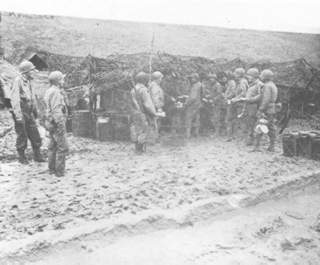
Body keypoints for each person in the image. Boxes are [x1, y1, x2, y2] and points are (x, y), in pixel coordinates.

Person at [10, 61, 44, 164]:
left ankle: (37, 155)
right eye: (31, 70)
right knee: (22, 134)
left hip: (29, 110)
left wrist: (35, 112)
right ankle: (22, 157)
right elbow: (14, 99)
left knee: (35, 133)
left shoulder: (30, 81)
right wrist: (18, 115)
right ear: (26, 72)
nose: (33, 72)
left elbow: (32, 97)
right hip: (21, 110)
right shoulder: (18, 81)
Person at [44, 71, 69, 177]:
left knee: (52, 146)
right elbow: (56, 110)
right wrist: (60, 124)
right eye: (62, 79)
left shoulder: (50, 90)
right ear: (58, 81)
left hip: (50, 121)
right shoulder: (55, 92)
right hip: (56, 121)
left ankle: (52, 169)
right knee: (63, 147)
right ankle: (60, 171)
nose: (63, 81)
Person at [130, 72, 158, 153]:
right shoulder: (143, 90)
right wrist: (153, 113)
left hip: (135, 113)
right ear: (144, 80)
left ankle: (137, 148)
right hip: (142, 113)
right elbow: (148, 104)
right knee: (144, 130)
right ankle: (140, 149)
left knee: (136, 130)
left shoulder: (133, 90)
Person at [253, 69, 278, 152]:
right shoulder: (273, 85)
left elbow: (266, 99)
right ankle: (272, 146)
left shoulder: (267, 86)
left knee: (259, 126)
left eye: (262, 75)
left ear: (265, 77)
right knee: (271, 127)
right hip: (271, 109)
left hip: (266, 110)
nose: (260, 76)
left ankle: (256, 147)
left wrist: (261, 109)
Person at [239, 68, 263, 145]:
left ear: (254, 76)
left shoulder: (259, 84)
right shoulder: (252, 84)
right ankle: (249, 140)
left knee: (253, 124)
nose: (248, 77)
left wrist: (249, 99)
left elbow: (260, 96)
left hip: (254, 107)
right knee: (249, 123)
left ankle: (254, 141)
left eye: (249, 76)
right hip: (249, 106)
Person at [184, 73, 202, 138]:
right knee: (197, 119)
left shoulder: (195, 86)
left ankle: (187, 135)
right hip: (198, 104)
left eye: (192, 78)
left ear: (196, 78)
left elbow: (193, 97)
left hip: (192, 105)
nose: (191, 79)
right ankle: (196, 134)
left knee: (188, 119)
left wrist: (186, 103)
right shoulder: (199, 84)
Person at [224, 72, 237, 141]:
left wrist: (226, 97)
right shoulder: (230, 82)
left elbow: (233, 92)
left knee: (229, 119)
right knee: (231, 119)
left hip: (231, 102)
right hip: (230, 101)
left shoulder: (232, 83)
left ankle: (230, 136)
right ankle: (232, 135)